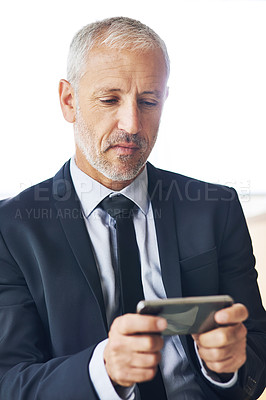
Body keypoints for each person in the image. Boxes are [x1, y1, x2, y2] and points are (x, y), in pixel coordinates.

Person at [0, 16, 265, 400]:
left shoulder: (216, 208)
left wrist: (226, 364)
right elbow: (9, 381)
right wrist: (103, 371)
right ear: (68, 100)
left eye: (148, 101)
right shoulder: (11, 229)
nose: (133, 124)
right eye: (110, 99)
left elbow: (255, 343)